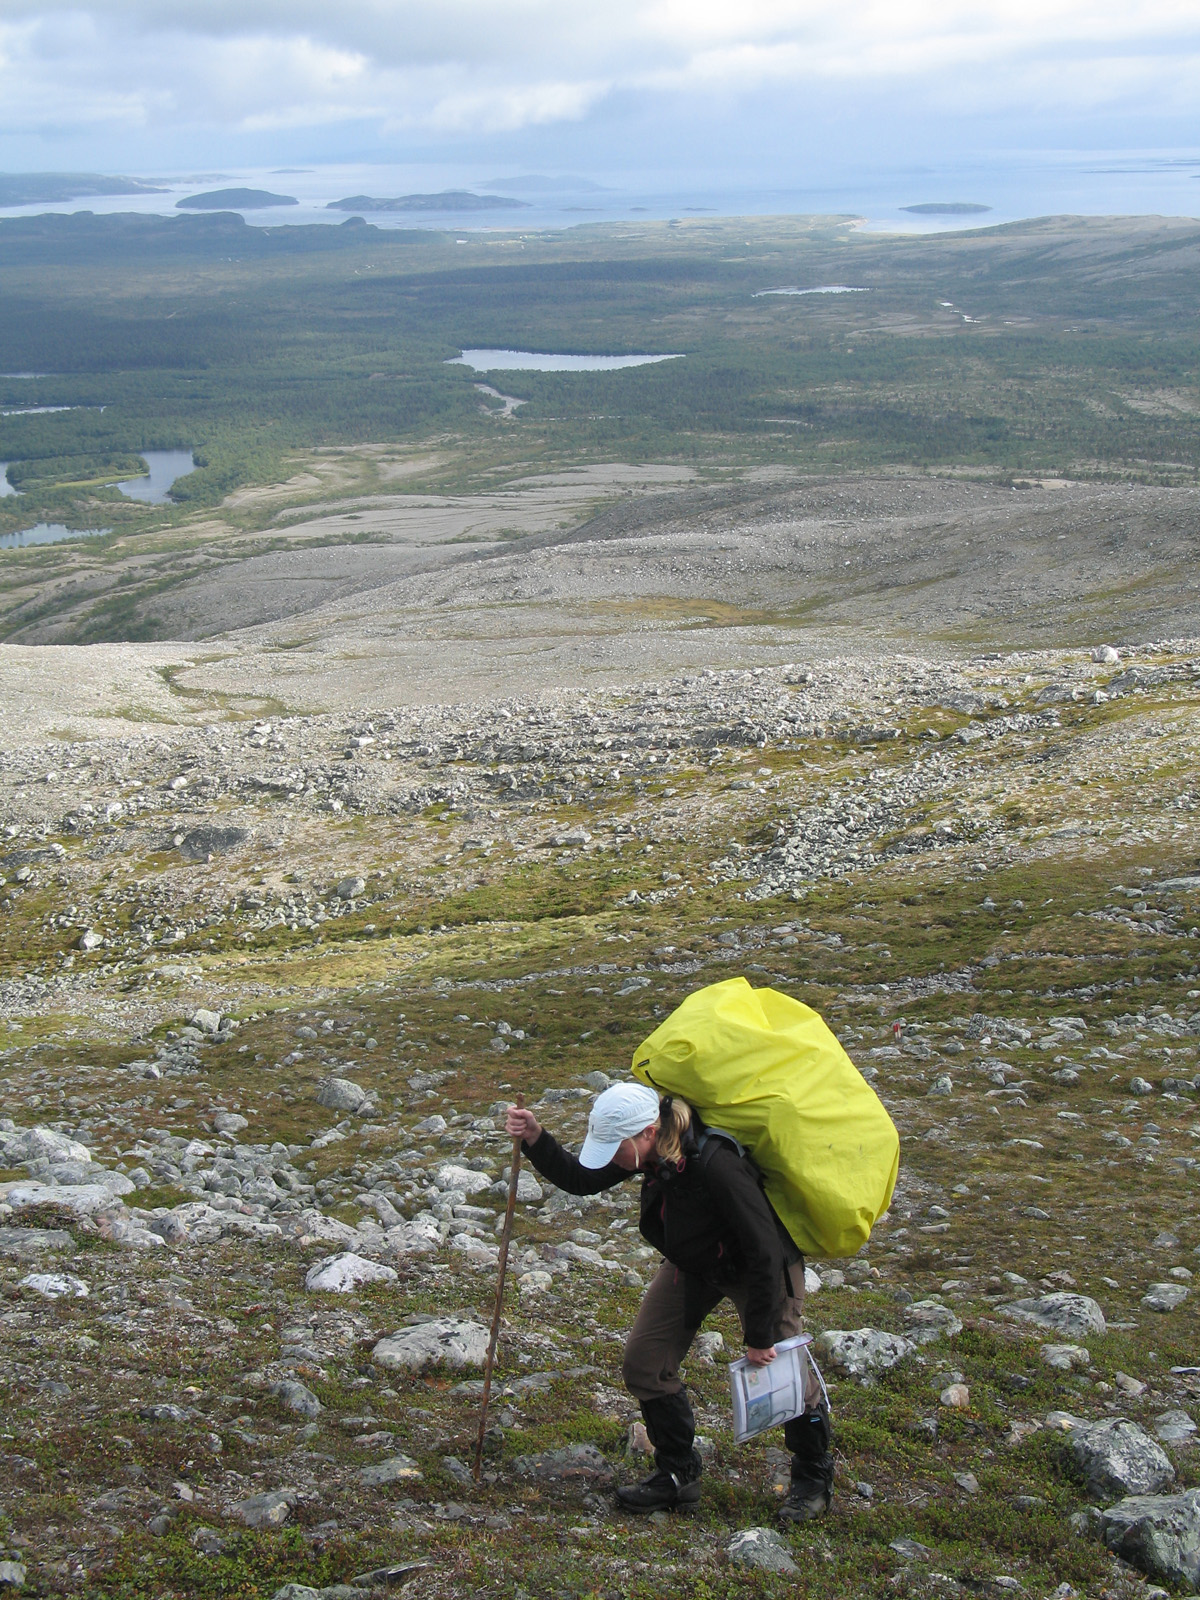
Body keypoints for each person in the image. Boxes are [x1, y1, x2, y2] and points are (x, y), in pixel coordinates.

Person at [505, 1081, 833, 1519]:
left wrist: (759, 1335)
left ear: (647, 1132)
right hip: (694, 1263)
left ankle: (813, 1478)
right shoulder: (649, 1153)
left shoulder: (715, 1164)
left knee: (786, 1373)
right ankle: (678, 1474)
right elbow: (582, 1178)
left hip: (760, 1270)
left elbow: (764, 1248)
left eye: (614, 1147)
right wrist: (535, 1138)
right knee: (645, 1362)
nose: (610, 1158)